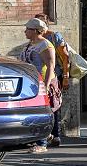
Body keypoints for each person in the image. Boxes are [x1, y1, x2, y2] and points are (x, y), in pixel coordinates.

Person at [20, 18, 59, 153]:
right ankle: (48, 136)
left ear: (36, 31)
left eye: (28, 29)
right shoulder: (29, 44)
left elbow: (50, 66)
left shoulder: (45, 45)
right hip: (31, 83)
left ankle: (42, 143)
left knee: (41, 111)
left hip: (42, 82)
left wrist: (46, 85)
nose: (25, 31)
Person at [34, 13, 70, 147]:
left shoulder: (54, 36)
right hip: (41, 77)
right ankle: (48, 135)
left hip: (56, 75)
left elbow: (65, 57)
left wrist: (66, 77)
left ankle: (55, 135)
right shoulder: (35, 39)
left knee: (54, 106)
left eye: (42, 22)